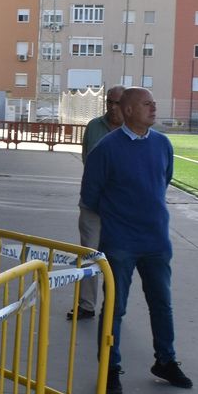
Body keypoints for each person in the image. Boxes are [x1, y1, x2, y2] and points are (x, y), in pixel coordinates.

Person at [80, 87, 190, 394]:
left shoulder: (162, 144)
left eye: (154, 103)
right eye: (146, 104)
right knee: (115, 308)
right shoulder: (106, 148)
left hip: (156, 241)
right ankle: (110, 367)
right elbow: (90, 195)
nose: (153, 108)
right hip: (120, 243)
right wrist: (120, 217)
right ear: (128, 110)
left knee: (162, 304)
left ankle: (165, 360)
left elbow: (162, 181)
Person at [74, 85, 125, 321]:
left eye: (118, 103)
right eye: (109, 102)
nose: (113, 107)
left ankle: (114, 306)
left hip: (121, 209)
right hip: (92, 204)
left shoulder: (133, 130)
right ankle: (86, 305)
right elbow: (87, 161)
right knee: (89, 254)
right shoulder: (94, 126)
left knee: (118, 258)